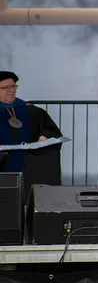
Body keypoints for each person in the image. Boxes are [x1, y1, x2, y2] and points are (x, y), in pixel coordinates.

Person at [0, 71, 63, 199]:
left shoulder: (31, 111)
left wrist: (44, 137)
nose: (11, 90)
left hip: (28, 164)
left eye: (13, 86)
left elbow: (51, 130)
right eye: (6, 88)